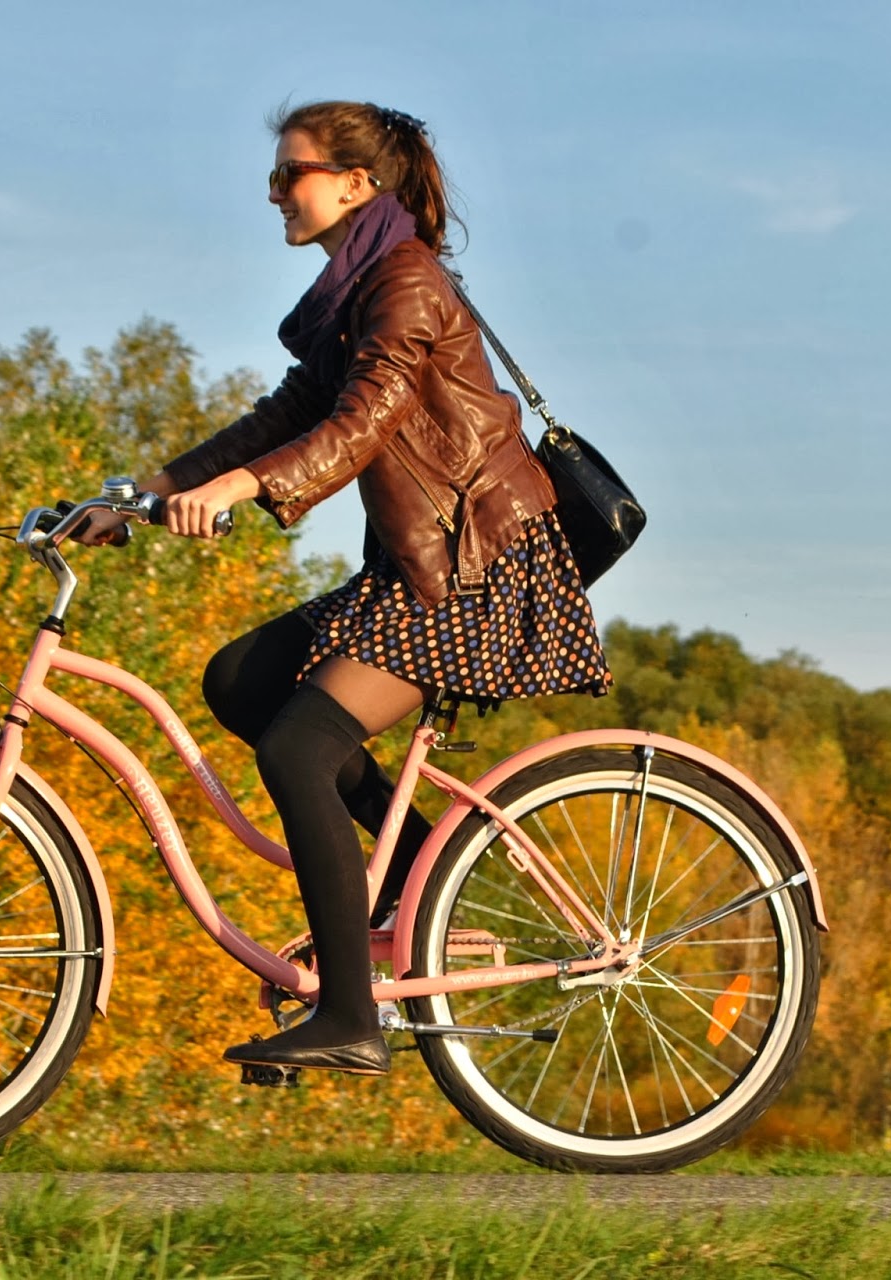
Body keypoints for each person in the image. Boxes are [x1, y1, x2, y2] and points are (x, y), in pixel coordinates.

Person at [77, 100, 611, 1077]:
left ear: (356, 183)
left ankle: (350, 1018)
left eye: (292, 174)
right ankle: (416, 873)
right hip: (422, 567)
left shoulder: (405, 285)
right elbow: (283, 416)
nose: (276, 194)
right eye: (275, 177)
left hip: (477, 569)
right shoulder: (352, 292)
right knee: (240, 680)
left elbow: (360, 424)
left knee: (299, 748)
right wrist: (143, 494)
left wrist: (239, 490)